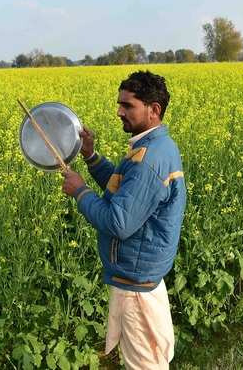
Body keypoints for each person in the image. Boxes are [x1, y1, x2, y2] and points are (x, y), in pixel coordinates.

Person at [62, 71, 186, 369]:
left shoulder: (150, 160)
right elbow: (126, 193)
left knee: (143, 364)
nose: (119, 111)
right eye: (119, 104)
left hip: (136, 284)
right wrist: (91, 157)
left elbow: (119, 221)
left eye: (127, 106)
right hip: (140, 276)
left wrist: (80, 191)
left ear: (153, 110)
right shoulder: (153, 147)